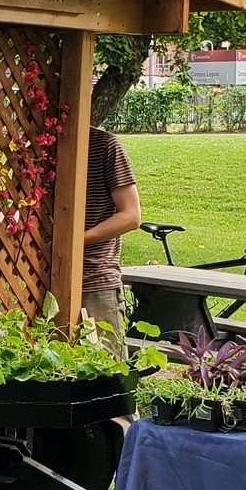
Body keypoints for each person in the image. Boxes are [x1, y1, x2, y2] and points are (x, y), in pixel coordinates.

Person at [81, 126, 141, 347]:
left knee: (106, 373)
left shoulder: (105, 145)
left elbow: (131, 216)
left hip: (95, 282)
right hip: (41, 282)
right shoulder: (39, 145)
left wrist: (76, 241)